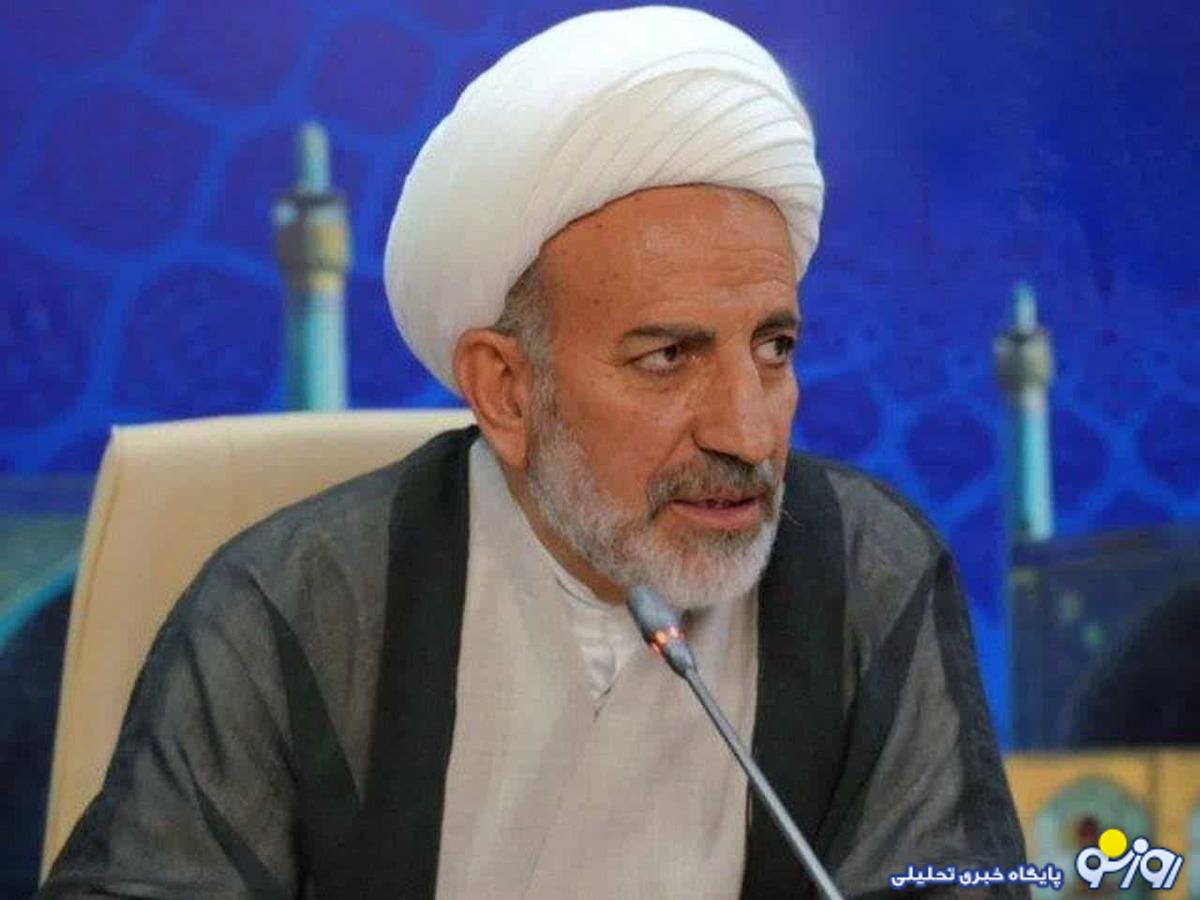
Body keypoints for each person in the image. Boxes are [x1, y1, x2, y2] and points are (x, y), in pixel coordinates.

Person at [40, 7, 1028, 898]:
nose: (747, 431)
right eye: (669, 356)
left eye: (774, 348)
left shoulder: (864, 572)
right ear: (507, 391)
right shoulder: (305, 604)